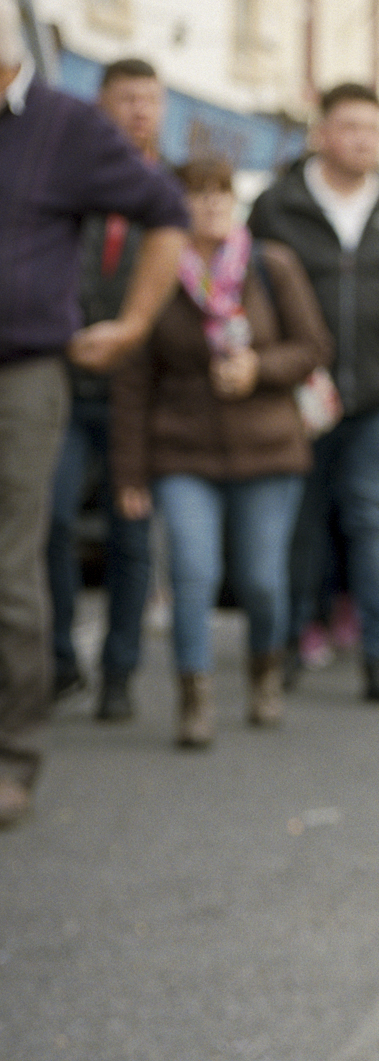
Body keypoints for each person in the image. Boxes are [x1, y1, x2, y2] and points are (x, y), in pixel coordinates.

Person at [0, 0, 188, 828]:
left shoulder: (64, 124)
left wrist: (136, 324)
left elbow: (166, 213)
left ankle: (14, 758)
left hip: (27, 374)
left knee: (14, 568)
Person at [111, 155, 332, 746]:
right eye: (197, 195)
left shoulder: (271, 263)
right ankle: (195, 700)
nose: (211, 205)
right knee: (192, 573)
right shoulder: (157, 271)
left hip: (269, 449)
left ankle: (265, 674)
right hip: (183, 451)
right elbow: (133, 380)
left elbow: (313, 346)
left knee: (261, 579)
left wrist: (260, 366)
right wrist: (128, 470)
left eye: (221, 194)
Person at [248, 82, 379, 703]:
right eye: (350, 126)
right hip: (295, 393)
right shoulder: (276, 207)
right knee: (297, 522)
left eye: (373, 128)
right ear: (322, 134)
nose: (363, 139)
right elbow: (251, 295)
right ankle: (281, 648)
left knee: (373, 516)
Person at [46, 57, 167, 721]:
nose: (141, 111)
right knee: (52, 520)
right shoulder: (63, 184)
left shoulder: (171, 193)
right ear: (100, 107)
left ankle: (120, 670)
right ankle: (62, 659)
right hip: (64, 384)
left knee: (131, 533)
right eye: (127, 99)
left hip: (138, 395)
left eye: (151, 100)